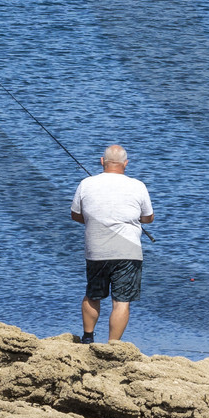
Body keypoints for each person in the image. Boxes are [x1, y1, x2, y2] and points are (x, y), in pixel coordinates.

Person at [69, 143, 153, 343]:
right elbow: (148, 218)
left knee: (93, 295)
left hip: (97, 249)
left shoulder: (86, 184)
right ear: (126, 163)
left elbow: (75, 215)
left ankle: (88, 338)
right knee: (122, 301)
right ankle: (113, 345)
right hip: (128, 251)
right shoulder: (138, 185)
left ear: (101, 162)